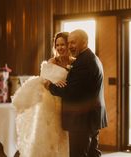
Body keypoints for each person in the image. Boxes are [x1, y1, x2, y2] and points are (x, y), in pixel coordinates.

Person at [44, 29, 108, 157]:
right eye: (70, 43)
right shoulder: (90, 58)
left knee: (78, 154)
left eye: (73, 43)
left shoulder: (83, 62)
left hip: (82, 120)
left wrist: (50, 86)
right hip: (91, 117)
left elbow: (71, 92)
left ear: (84, 42)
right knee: (92, 153)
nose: (70, 46)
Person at [13, 32, 75, 157]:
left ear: (68, 45)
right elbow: (44, 81)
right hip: (50, 104)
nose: (60, 47)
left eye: (62, 44)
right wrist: (48, 82)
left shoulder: (74, 63)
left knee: (63, 137)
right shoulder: (52, 62)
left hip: (66, 105)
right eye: (57, 45)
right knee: (48, 136)